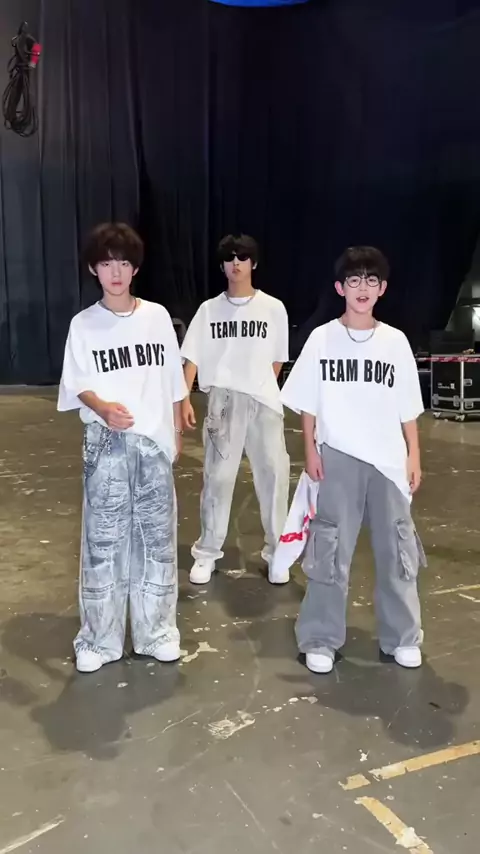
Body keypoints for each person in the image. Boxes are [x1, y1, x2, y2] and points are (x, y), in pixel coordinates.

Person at [280, 246, 426, 674]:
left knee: (397, 549)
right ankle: (320, 638)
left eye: (371, 280)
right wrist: (310, 449)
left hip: (388, 462)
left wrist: (414, 455)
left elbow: (408, 408)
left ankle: (402, 636)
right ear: (340, 288)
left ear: (382, 289)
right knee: (330, 550)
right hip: (338, 455)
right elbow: (307, 401)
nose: (363, 288)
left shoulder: (395, 342)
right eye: (354, 280)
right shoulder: (322, 338)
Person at [58, 223, 187, 673]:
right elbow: (78, 384)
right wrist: (102, 407)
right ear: (94, 269)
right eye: (107, 263)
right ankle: (99, 639)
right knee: (104, 542)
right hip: (106, 442)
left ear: (135, 269)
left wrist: (177, 426)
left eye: (124, 263)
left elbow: (172, 378)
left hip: (153, 443)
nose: (116, 272)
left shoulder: (156, 317)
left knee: (157, 541)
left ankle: (157, 633)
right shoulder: (84, 324)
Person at [181, 233, 290, 585]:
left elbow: (277, 360)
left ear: (253, 263)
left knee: (273, 477)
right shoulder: (209, 310)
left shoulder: (273, 308)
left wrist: (259, 384)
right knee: (218, 477)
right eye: (230, 258)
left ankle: (277, 553)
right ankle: (207, 552)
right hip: (223, 400)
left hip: (264, 401)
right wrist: (183, 398)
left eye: (242, 257)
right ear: (222, 266)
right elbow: (192, 356)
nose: (236, 264)